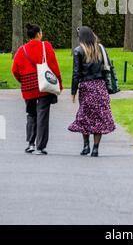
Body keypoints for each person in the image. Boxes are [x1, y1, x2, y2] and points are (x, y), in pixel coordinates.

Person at [12, 23, 63, 155]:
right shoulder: (45, 46)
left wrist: (22, 81)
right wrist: (59, 83)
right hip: (44, 86)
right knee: (42, 115)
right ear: (39, 34)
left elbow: (15, 70)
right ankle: (40, 146)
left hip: (28, 88)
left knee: (31, 114)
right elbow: (54, 66)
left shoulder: (21, 50)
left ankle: (30, 144)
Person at [68, 26, 116, 157]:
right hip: (100, 86)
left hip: (86, 87)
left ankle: (85, 146)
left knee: (85, 116)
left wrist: (73, 91)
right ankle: (95, 148)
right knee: (99, 117)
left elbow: (76, 73)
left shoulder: (78, 51)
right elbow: (107, 68)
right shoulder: (100, 49)